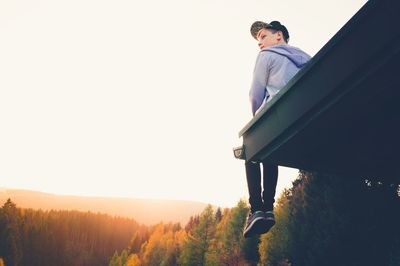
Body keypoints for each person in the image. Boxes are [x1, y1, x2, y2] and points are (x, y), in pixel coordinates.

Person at [243, 20, 311, 238]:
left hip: (280, 116)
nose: (260, 43)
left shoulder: (266, 56)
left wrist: (255, 119)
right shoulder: (304, 57)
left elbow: (255, 94)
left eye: (263, 36)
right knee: (268, 150)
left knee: (251, 146)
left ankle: (259, 209)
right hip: (305, 116)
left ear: (279, 36)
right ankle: (267, 209)